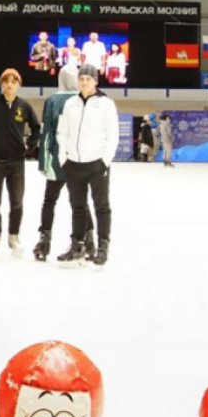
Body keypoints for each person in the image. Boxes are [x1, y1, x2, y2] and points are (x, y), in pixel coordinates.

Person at [55, 64, 118, 267]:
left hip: (97, 164)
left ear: (95, 81)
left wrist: (105, 161)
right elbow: (62, 132)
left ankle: (102, 246)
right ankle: (78, 245)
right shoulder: (70, 103)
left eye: (88, 79)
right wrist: (63, 158)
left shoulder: (106, 104)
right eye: (81, 78)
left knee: (101, 206)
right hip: (73, 164)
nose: (84, 82)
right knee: (78, 207)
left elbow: (112, 136)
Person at [0, 68, 40, 258]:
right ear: (1, 84)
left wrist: (29, 146)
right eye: (6, 81)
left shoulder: (24, 106)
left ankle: (14, 237)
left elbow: (36, 128)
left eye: (14, 81)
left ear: (19, 84)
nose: (10, 85)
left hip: (17, 163)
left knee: (17, 202)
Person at [33, 66, 94, 261]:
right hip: (78, 159)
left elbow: (48, 133)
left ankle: (44, 241)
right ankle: (89, 241)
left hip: (57, 161)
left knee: (49, 200)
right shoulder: (82, 100)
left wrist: (43, 161)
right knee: (81, 202)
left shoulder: (52, 101)